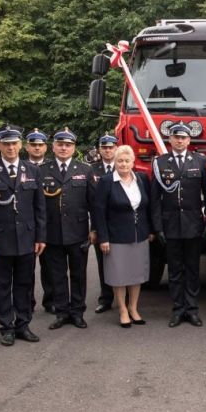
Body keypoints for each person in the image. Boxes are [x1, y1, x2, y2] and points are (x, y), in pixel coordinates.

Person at [0, 125, 46, 346]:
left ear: (21, 145)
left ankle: (23, 324)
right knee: (3, 285)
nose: (11, 147)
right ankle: (7, 327)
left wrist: (41, 237)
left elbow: (39, 208)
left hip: (27, 239)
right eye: (6, 144)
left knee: (25, 284)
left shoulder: (32, 170)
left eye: (14, 143)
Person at [150, 123, 206, 328]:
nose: (179, 141)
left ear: (189, 140)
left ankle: (192, 309)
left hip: (193, 225)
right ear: (170, 140)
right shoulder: (159, 162)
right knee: (175, 270)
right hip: (170, 226)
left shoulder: (200, 162)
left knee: (193, 269)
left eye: (183, 138)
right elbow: (155, 199)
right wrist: (157, 228)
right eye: (176, 137)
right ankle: (177, 309)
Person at [41, 128, 95, 330]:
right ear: (53, 146)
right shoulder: (42, 171)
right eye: (60, 144)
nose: (64, 148)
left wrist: (95, 229)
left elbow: (94, 203)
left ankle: (78, 312)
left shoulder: (85, 169)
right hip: (52, 233)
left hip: (78, 231)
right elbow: (38, 207)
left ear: (74, 148)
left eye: (68, 145)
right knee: (57, 275)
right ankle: (62, 312)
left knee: (78, 274)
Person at [93, 145, 152, 328]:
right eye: (120, 161)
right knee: (119, 276)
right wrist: (103, 238)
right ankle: (122, 310)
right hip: (116, 237)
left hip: (139, 236)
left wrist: (150, 230)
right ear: (115, 163)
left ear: (133, 163)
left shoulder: (141, 179)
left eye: (127, 160)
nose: (123, 164)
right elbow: (99, 212)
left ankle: (133, 308)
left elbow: (147, 207)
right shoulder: (106, 181)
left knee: (136, 275)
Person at [25, 128, 54, 314]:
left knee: (49, 268)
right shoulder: (19, 168)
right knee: (26, 269)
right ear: (26, 147)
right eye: (33, 145)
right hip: (26, 227)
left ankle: (50, 300)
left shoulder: (52, 168)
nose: (37, 148)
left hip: (48, 226)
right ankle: (27, 302)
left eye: (40, 145)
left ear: (46, 147)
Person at [91, 133, 118, 313]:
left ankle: (125, 298)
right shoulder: (91, 170)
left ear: (116, 148)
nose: (108, 150)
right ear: (99, 150)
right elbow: (90, 203)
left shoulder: (124, 166)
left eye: (111, 147)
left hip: (120, 223)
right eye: (104, 147)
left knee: (121, 262)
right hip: (100, 223)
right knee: (103, 263)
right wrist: (93, 228)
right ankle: (105, 298)